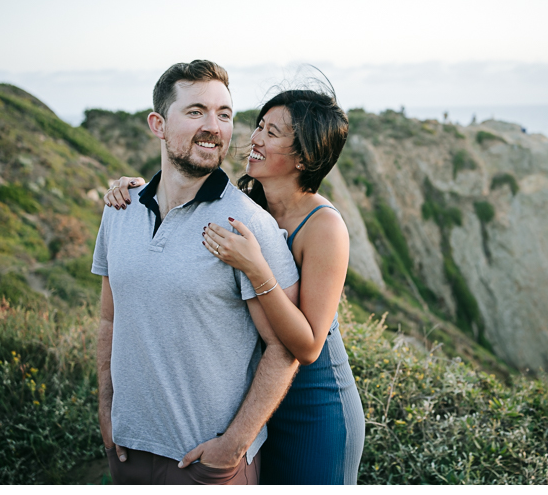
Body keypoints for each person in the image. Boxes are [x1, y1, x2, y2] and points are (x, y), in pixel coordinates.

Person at [106, 85, 365, 485]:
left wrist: (257, 269)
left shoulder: (324, 227)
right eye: (259, 126)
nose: (255, 139)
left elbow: (309, 346)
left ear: (305, 155)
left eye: (272, 133)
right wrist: (137, 189)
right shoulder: (253, 204)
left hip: (314, 402)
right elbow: (186, 188)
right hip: (258, 402)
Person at [92, 60, 300, 485]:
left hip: (206, 464)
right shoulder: (119, 210)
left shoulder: (249, 226)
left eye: (224, 114)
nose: (214, 126)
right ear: (158, 124)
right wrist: (107, 409)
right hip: (127, 450)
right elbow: (110, 319)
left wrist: (234, 446)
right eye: (196, 112)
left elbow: (283, 349)